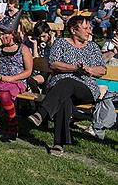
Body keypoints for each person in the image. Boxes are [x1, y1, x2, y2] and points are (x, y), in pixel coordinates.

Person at [28, 16, 107, 155]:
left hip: (85, 88)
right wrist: (75, 68)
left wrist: (88, 70)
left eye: (90, 28)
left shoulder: (93, 47)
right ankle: (58, 144)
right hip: (60, 88)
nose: (90, 31)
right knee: (64, 98)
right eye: (86, 28)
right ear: (73, 30)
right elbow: (53, 64)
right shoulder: (60, 43)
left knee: (68, 82)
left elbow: (102, 69)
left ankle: (42, 112)